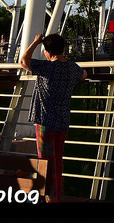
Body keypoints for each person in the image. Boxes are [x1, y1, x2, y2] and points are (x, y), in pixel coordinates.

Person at [19, 33, 87, 203]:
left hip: (45, 120)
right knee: (57, 160)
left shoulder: (46, 67)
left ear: (48, 51)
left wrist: (35, 42)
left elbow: (23, 62)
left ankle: (48, 197)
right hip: (62, 121)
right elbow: (84, 74)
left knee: (45, 162)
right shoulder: (72, 68)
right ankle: (56, 195)